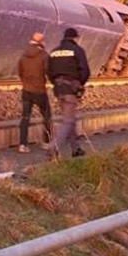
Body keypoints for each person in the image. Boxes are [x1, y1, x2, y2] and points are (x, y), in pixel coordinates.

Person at [47, 27, 90, 159]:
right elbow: (85, 71)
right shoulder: (77, 50)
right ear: (75, 38)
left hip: (58, 89)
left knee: (70, 119)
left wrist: (56, 82)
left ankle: (76, 149)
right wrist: (79, 84)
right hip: (70, 88)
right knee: (68, 121)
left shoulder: (54, 52)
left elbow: (49, 71)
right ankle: (54, 148)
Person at [17, 31, 52, 153]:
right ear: (41, 42)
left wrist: (26, 83)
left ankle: (22, 144)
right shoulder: (44, 55)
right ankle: (46, 142)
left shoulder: (23, 55)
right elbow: (48, 71)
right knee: (47, 116)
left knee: (25, 117)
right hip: (39, 91)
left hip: (26, 90)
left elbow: (20, 72)